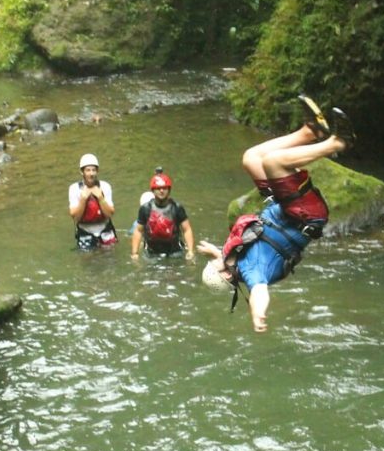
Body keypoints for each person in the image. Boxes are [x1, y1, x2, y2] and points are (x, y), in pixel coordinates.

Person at [198, 95, 355, 332]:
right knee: (274, 162)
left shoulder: (233, 260)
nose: (217, 259)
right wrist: (257, 311)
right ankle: (338, 143)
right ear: (228, 275)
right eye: (215, 264)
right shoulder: (252, 272)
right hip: (304, 216)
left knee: (251, 159)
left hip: (282, 208)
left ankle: (310, 132)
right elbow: (259, 291)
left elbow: (225, 254)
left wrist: (212, 251)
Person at [130, 168, 195, 260]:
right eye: (158, 188)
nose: (161, 191)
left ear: (169, 190)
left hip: (174, 252)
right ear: (153, 190)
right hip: (151, 253)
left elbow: (187, 229)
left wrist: (190, 251)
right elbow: (138, 231)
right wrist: (135, 253)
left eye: (164, 188)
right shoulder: (145, 208)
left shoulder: (177, 208)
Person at [69, 153, 117, 250]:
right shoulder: (74, 189)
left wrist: (100, 198)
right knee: (88, 257)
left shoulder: (105, 186)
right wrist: (83, 199)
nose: (91, 174)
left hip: (105, 228)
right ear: (82, 172)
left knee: (110, 255)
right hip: (85, 230)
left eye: (94, 170)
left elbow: (110, 214)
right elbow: (75, 217)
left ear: (97, 171)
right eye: (88, 170)